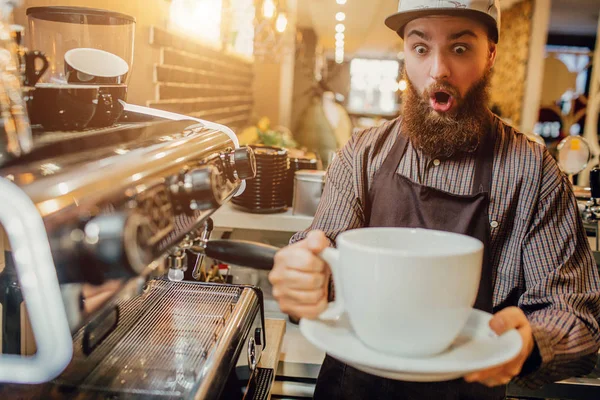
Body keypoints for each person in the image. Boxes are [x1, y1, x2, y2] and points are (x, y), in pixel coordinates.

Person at [268, 0, 600, 399]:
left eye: (460, 49)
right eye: (421, 48)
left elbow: (578, 316)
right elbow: (324, 255)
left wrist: (532, 341)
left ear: (491, 53)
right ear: (405, 52)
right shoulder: (363, 154)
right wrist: (305, 276)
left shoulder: (533, 172)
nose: (438, 70)